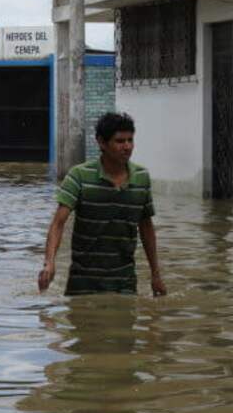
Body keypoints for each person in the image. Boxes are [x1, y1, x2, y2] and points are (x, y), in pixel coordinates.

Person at [38, 112, 167, 297]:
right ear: (101, 142)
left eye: (130, 140)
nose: (127, 147)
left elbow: (146, 227)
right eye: (120, 141)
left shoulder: (141, 178)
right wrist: (49, 262)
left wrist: (156, 274)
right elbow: (58, 223)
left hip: (125, 282)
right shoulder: (79, 176)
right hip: (83, 282)